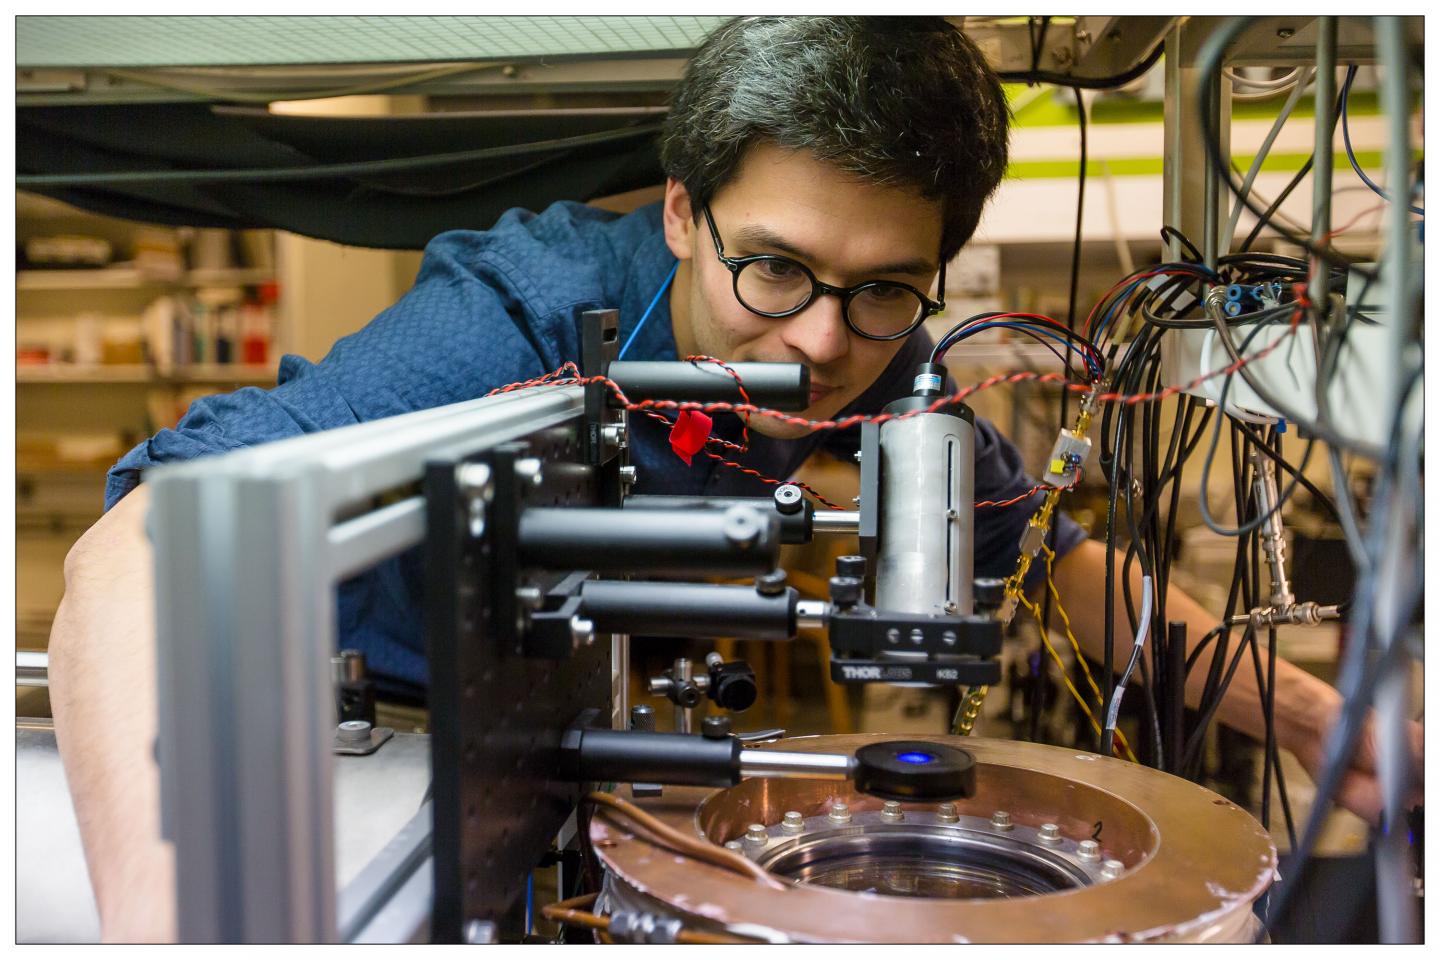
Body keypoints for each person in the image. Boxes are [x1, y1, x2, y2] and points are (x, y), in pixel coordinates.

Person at [49, 16, 1421, 943]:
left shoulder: (882, 354)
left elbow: (1044, 552)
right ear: (678, 213)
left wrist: (1320, 718)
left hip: (551, 763)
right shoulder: (524, 319)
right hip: (358, 756)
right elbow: (140, 546)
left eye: (884, 289)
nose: (821, 342)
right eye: (774, 269)